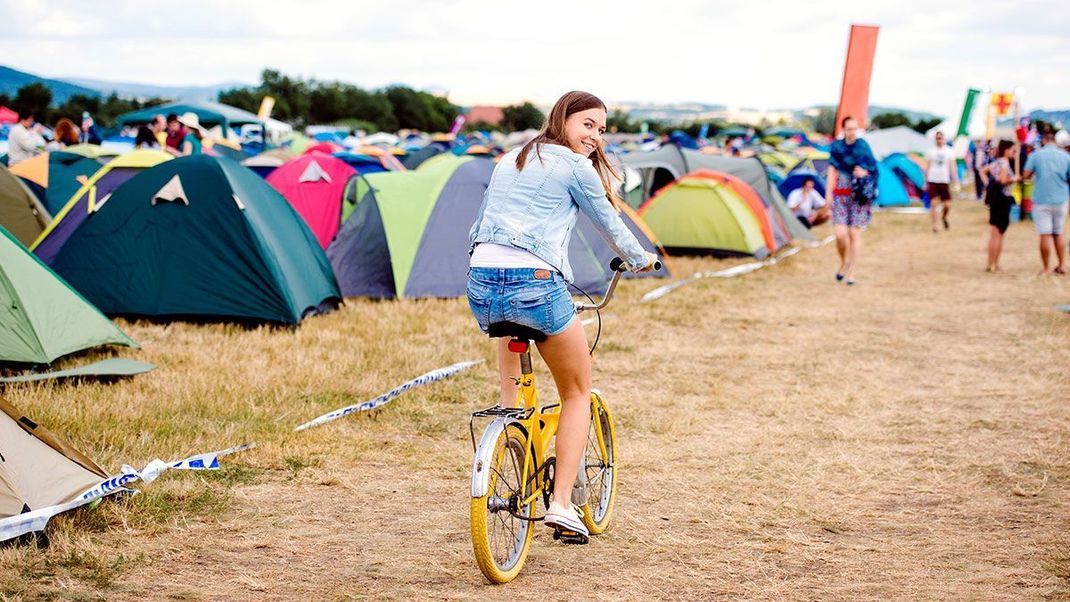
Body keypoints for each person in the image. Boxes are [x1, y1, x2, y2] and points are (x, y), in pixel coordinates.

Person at [467, 91, 657, 541]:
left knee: (511, 334)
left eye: (602, 129)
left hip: (481, 279)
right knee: (576, 392)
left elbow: (481, 223)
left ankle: (512, 422)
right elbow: (609, 222)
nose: (595, 136)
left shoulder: (511, 157)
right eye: (588, 124)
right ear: (563, 119)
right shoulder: (574, 167)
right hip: (535, 280)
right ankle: (562, 505)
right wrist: (640, 257)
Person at [824, 116, 877, 286]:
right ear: (843, 130)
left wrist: (865, 173)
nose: (852, 132)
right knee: (840, 234)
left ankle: (852, 271)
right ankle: (844, 262)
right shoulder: (837, 148)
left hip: (858, 196)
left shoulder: (863, 146)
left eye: (855, 128)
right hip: (840, 194)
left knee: (854, 234)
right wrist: (828, 195)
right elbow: (832, 172)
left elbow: (873, 169)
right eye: (849, 129)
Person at [1023, 123, 1070, 275]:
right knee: (1058, 232)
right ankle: (1062, 265)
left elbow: (1026, 176)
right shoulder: (1065, 156)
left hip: (1042, 198)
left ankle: (1046, 268)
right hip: (1061, 198)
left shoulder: (1036, 156)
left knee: (1045, 234)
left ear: (1043, 139)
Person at [982, 140, 1018, 273]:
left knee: (993, 233)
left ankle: (990, 263)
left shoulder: (997, 162)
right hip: (1003, 199)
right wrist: (1014, 179)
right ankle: (995, 264)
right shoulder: (1004, 163)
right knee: (999, 233)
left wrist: (988, 185)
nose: (1014, 153)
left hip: (995, 199)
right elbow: (1003, 180)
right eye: (1013, 150)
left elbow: (982, 171)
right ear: (1006, 150)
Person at [925, 131, 959, 231]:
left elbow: (952, 166)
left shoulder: (949, 151)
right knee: (934, 203)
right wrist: (926, 180)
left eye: (940, 138)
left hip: (944, 180)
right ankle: (935, 225)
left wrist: (955, 179)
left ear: (944, 139)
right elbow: (928, 166)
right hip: (933, 179)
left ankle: (944, 217)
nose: (939, 140)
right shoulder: (931, 151)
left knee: (947, 205)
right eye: (937, 138)